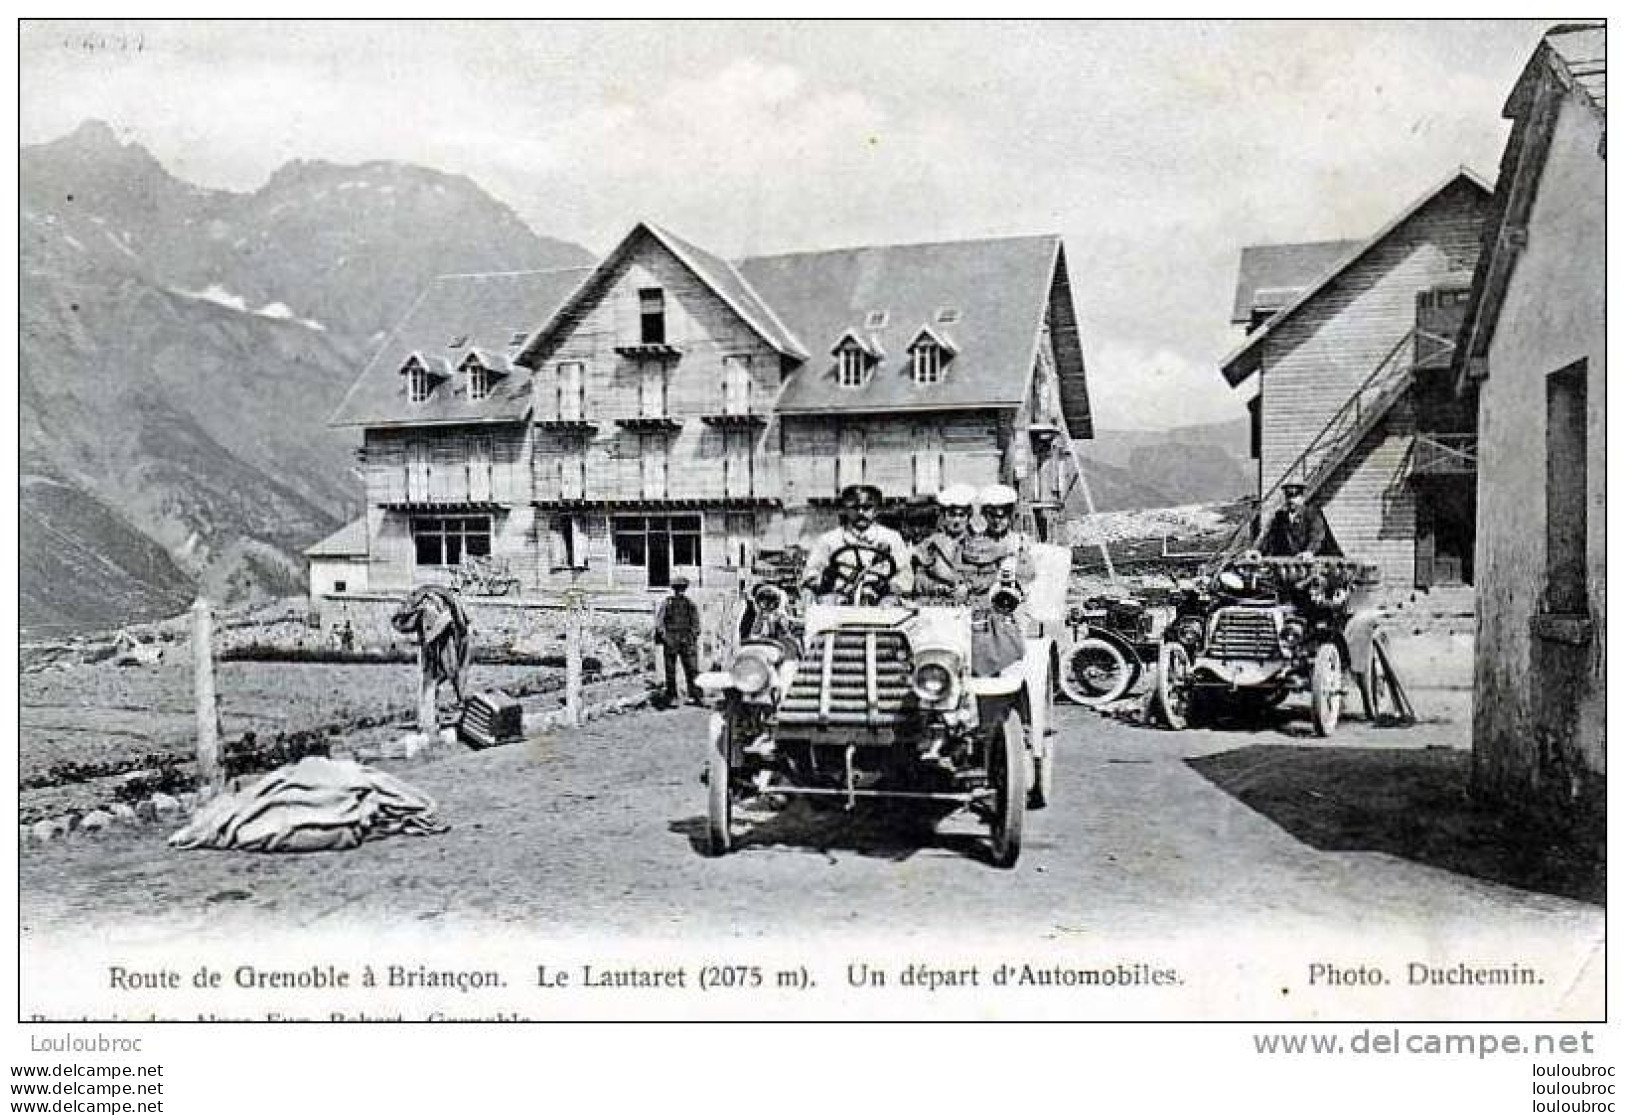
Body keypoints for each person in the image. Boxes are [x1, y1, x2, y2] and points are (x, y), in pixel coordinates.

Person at [956, 484, 1036, 677]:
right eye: (993, 515)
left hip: (1012, 609)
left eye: (1003, 515)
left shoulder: (1020, 543)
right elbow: (964, 573)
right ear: (984, 515)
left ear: (1011, 515)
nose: (998, 520)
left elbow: (1028, 576)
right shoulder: (974, 544)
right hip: (979, 607)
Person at [801, 483, 914, 604]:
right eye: (854, 508)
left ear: (876, 510)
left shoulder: (892, 538)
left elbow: (904, 574)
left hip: (880, 597)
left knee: (892, 606)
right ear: (845, 509)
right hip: (839, 597)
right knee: (825, 604)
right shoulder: (829, 540)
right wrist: (817, 584)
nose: (860, 512)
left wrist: (891, 590)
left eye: (867, 507)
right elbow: (812, 572)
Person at [915, 484, 975, 600]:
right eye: (951, 515)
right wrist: (935, 587)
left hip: (970, 602)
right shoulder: (930, 543)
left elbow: (987, 576)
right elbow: (919, 575)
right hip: (937, 601)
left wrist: (968, 586)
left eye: (962, 515)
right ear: (943, 516)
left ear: (968, 518)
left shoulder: (979, 543)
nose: (956, 520)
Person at [1256, 481, 1342, 558]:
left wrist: (1309, 552)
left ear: (1302, 498)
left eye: (1295, 495)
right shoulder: (1280, 516)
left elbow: (1317, 536)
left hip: (1315, 560)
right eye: (1288, 496)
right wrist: (1256, 550)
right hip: (1292, 562)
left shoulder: (1312, 514)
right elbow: (1267, 535)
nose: (1291, 500)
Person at [653, 575, 703, 707]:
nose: (680, 591)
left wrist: (692, 635)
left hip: (687, 640)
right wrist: (666, 637)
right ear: (674, 589)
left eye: (682, 589)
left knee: (692, 669)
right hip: (672, 639)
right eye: (678, 589)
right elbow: (659, 623)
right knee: (670, 670)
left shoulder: (689, 604)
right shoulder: (667, 603)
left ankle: (696, 696)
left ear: (685, 589)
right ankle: (672, 696)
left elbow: (696, 623)